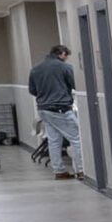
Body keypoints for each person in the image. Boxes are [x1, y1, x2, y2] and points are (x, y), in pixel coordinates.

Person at [28, 42, 85, 179]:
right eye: (66, 56)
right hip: (60, 108)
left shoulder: (36, 69)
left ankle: (59, 171)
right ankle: (82, 170)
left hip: (43, 109)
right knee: (77, 138)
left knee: (54, 141)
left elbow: (32, 90)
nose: (66, 59)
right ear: (62, 54)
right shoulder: (64, 67)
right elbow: (75, 84)